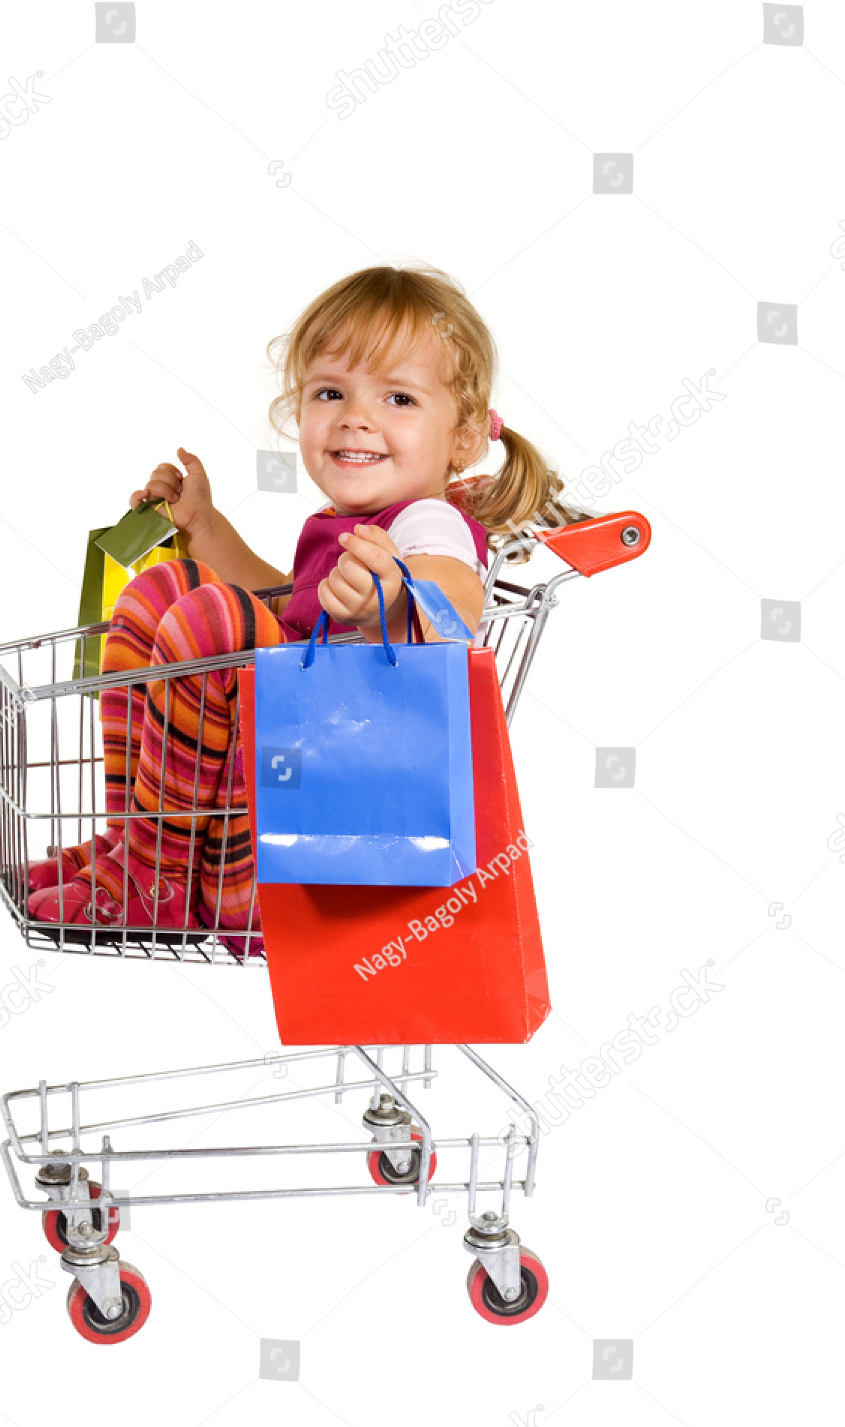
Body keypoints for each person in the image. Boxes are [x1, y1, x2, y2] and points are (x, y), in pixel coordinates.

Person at [28, 264, 578, 937]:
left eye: (398, 399)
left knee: (209, 614)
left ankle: (156, 880)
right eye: (330, 392)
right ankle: (133, 850)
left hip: (300, 853)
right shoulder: (337, 527)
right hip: (250, 803)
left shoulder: (423, 523)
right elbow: (275, 611)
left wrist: (396, 600)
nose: (356, 418)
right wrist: (204, 528)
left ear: (463, 436)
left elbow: (456, 604)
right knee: (161, 593)